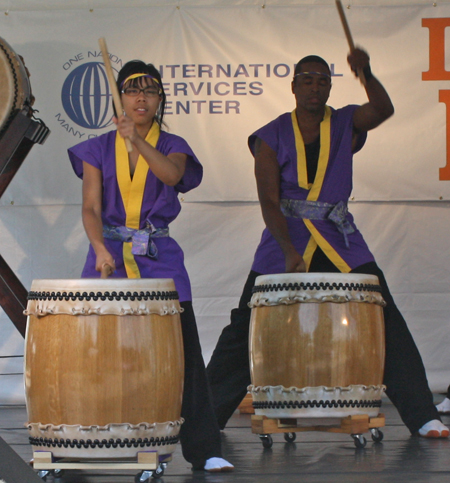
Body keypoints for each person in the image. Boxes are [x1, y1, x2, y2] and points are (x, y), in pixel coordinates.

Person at [206, 49, 449, 439]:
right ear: (294, 86)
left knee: (384, 316)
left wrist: (366, 71)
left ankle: (422, 414)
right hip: (286, 236)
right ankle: (206, 422)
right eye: (307, 79)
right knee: (247, 324)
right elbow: (269, 200)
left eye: (322, 80)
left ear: (331, 86)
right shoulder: (270, 135)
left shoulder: (347, 121)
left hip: (339, 236)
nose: (315, 87)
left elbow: (383, 109)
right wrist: (287, 250)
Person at [68, 60, 233, 472]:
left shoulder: (172, 143)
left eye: (150, 91)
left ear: (160, 100)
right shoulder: (97, 148)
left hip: (159, 256)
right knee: (95, 352)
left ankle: (205, 449)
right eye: (132, 90)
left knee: (185, 353)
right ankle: (86, 441)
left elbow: (173, 174)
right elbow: (90, 206)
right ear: (120, 97)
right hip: (107, 254)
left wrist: (136, 141)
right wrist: (98, 248)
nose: (141, 98)